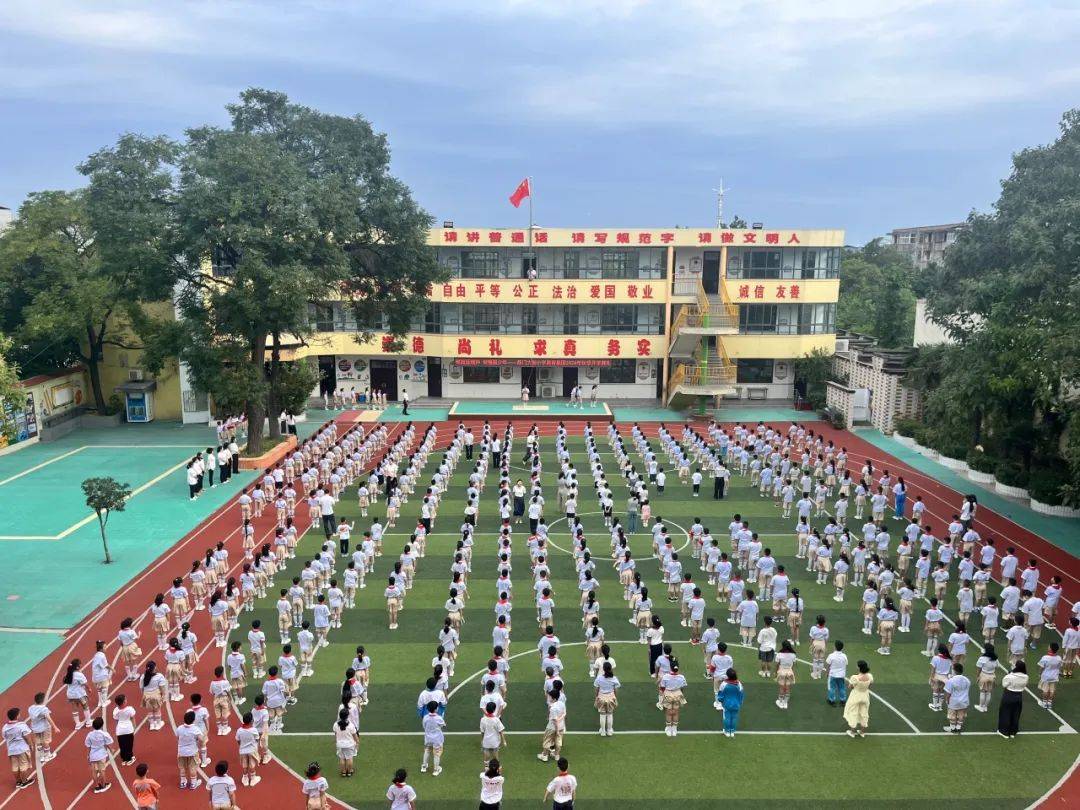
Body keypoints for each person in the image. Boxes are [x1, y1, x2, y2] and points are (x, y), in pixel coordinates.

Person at [2, 707, 35, 791]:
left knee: (15, 767)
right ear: (17, 716)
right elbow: (27, 736)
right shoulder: (21, 726)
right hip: (22, 749)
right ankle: (24, 782)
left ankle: (18, 782)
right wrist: (31, 745)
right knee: (23, 765)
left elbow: (5, 737)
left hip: (11, 750)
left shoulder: (5, 727)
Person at [997, 661, 1028, 738]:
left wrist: (1009, 674)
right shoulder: (1026, 677)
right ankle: (1013, 731)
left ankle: (1004, 731)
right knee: (1016, 713)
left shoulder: (1010, 676)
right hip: (1019, 696)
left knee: (1005, 713)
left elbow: (1004, 684)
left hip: (1009, 695)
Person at [843, 660, 873, 737]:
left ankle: (852, 732)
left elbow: (850, 687)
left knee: (853, 712)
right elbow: (870, 686)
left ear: (859, 668)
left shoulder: (855, 677)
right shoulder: (870, 676)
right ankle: (862, 732)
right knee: (864, 713)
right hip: (865, 695)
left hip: (856, 695)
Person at [85, 716, 115, 794]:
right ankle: (104, 785)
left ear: (93, 726)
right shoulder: (104, 734)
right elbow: (108, 743)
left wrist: (88, 755)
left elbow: (88, 745)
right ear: (102, 725)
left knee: (94, 771)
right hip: (101, 755)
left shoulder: (90, 734)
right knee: (102, 770)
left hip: (93, 755)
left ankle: (96, 786)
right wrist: (111, 750)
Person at [716, 668, 744, 737]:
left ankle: (727, 731)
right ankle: (732, 731)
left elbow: (720, 694)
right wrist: (740, 702)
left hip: (727, 704)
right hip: (736, 704)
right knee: (734, 717)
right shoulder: (739, 684)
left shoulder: (724, 684)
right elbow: (741, 694)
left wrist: (721, 701)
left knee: (727, 717)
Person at [421, 700, 446, 776]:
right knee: (437, 754)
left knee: (427, 750)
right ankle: (436, 769)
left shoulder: (425, 717)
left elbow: (424, 726)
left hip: (428, 738)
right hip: (437, 739)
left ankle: (424, 766)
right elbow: (443, 725)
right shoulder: (439, 718)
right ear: (435, 709)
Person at [826, 640, 848, 705]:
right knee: (841, 688)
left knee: (832, 688)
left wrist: (827, 673)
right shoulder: (844, 656)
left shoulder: (831, 655)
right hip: (841, 675)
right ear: (842, 648)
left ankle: (831, 700)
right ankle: (843, 700)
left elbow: (828, 665)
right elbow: (846, 664)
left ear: (835, 647)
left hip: (833, 675)